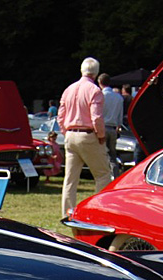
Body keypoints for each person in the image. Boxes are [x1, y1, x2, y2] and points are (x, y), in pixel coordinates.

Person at [58, 56, 112, 217]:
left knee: (70, 179)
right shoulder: (94, 91)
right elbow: (96, 117)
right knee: (103, 175)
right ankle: (99, 212)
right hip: (87, 135)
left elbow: (61, 116)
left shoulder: (69, 89)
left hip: (70, 135)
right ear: (96, 73)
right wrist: (101, 135)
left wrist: (65, 132)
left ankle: (67, 213)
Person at [98, 73, 124, 172]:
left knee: (101, 154)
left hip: (102, 127)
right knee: (112, 154)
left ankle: (103, 175)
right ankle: (115, 174)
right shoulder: (118, 97)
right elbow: (120, 116)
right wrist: (118, 126)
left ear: (100, 83)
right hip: (113, 128)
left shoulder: (100, 96)